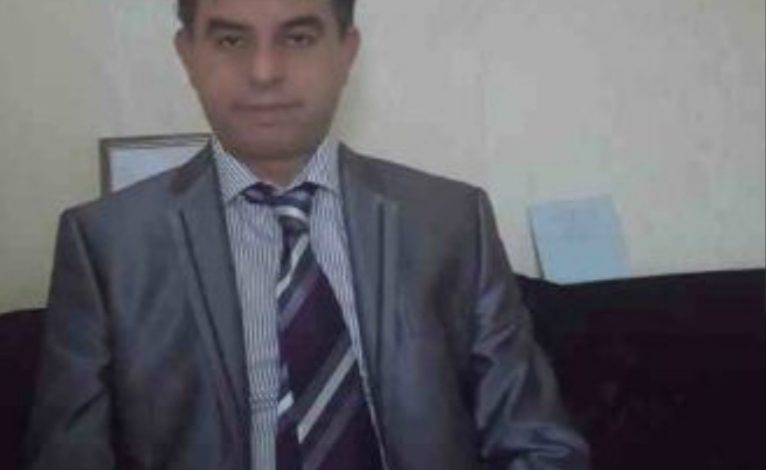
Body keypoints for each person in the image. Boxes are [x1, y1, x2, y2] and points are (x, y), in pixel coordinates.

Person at [27, 0, 590, 468]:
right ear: (187, 54)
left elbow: (538, 443)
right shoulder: (105, 245)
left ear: (346, 52)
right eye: (230, 40)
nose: (264, 71)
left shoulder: (451, 222)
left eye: (298, 38)